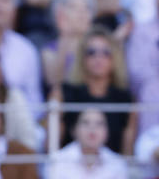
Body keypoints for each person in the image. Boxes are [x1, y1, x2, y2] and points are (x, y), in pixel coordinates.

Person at [55, 24, 136, 155]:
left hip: (111, 170)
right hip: (68, 169)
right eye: (91, 52)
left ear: (115, 57)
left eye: (106, 53)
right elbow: (51, 146)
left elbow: (127, 153)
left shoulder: (125, 99)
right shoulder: (63, 94)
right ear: (82, 57)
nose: (99, 58)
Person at [45, 107, 129, 179]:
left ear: (107, 132)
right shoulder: (57, 162)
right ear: (74, 130)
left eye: (99, 124)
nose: (92, 128)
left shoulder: (117, 165)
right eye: (85, 123)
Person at [41, 0, 96, 91]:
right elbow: (54, 83)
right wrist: (65, 36)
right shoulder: (49, 51)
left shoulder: (100, 46)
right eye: (73, 7)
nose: (81, 12)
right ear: (60, 14)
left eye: (87, 7)